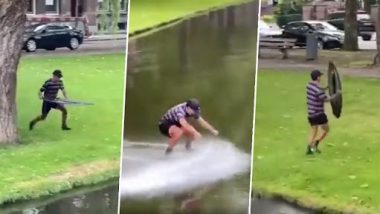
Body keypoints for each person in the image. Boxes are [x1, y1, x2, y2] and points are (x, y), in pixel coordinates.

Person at [306, 70, 341, 155]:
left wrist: (326, 88)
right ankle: (314, 144)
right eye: (320, 76)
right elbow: (326, 99)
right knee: (326, 130)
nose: (321, 78)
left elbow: (318, 89)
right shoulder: (318, 89)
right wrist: (336, 95)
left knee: (314, 131)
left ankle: (309, 149)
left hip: (311, 113)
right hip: (319, 114)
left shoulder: (309, 85)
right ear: (318, 77)